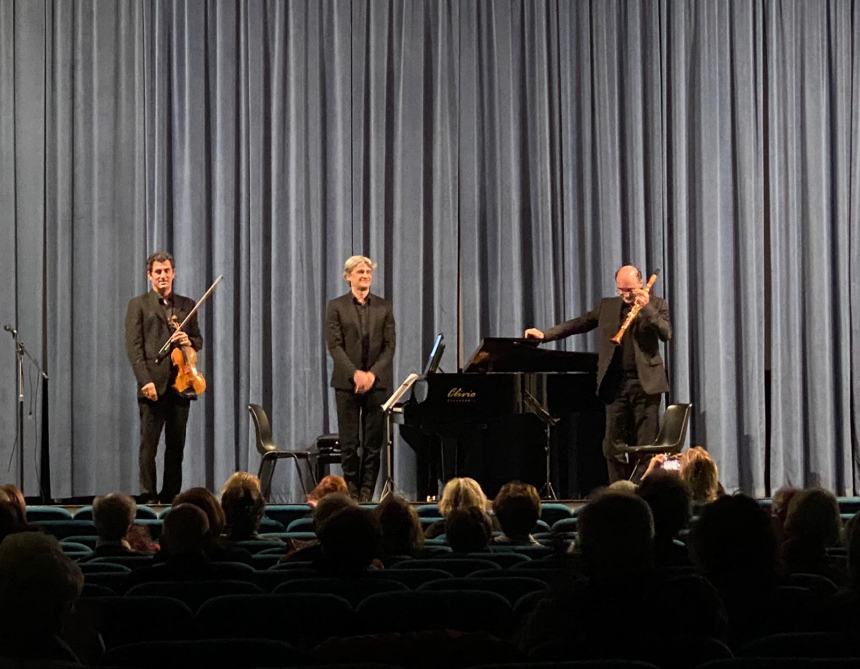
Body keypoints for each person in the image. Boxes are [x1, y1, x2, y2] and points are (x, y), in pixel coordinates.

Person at [524, 265, 671, 481]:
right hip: (615, 384)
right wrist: (544, 335)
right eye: (621, 290)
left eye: (630, 290)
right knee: (612, 446)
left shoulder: (657, 304)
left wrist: (647, 308)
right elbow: (578, 324)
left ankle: (641, 492)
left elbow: (666, 333)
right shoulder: (607, 306)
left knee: (646, 444)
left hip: (645, 384)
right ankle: (619, 491)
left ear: (641, 284)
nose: (626, 295)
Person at [125, 251, 203, 503]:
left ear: (174, 273)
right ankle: (148, 496)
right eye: (157, 272)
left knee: (176, 447)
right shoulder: (138, 305)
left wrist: (187, 339)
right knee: (149, 447)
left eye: (167, 271)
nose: (163, 276)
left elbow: (198, 341)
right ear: (149, 276)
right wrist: (144, 380)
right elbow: (134, 348)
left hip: (181, 383)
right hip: (153, 384)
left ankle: (171, 496)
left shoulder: (187, 305)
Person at [326, 255, 396, 502]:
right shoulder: (336, 306)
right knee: (349, 443)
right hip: (346, 383)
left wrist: (371, 374)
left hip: (377, 384)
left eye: (368, 272)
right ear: (348, 277)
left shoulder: (384, 307)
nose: (365, 276)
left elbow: (390, 346)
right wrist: (355, 374)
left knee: (373, 444)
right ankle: (352, 494)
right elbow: (334, 346)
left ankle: (366, 495)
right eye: (360, 272)